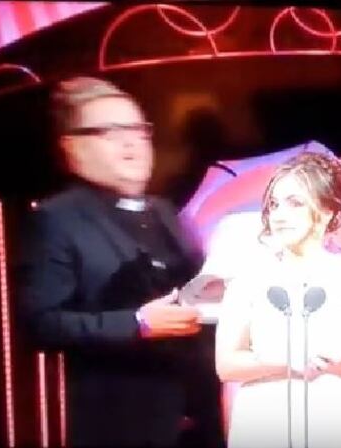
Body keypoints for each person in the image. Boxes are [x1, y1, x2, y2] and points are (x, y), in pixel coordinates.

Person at [16, 76, 224, 447]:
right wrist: (138, 323)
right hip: (122, 425)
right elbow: (40, 323)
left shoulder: (165, 212)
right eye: (110, 132)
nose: (132, 143)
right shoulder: (57, 218)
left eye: (138, 130)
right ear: (72, 148)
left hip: (198, 419)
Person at [213, 151, 341, 448]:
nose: (279, 216)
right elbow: (226, 363)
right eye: (274, 205)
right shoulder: (248, 277)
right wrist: (288, 361)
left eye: (295, 204)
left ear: (328, 211)